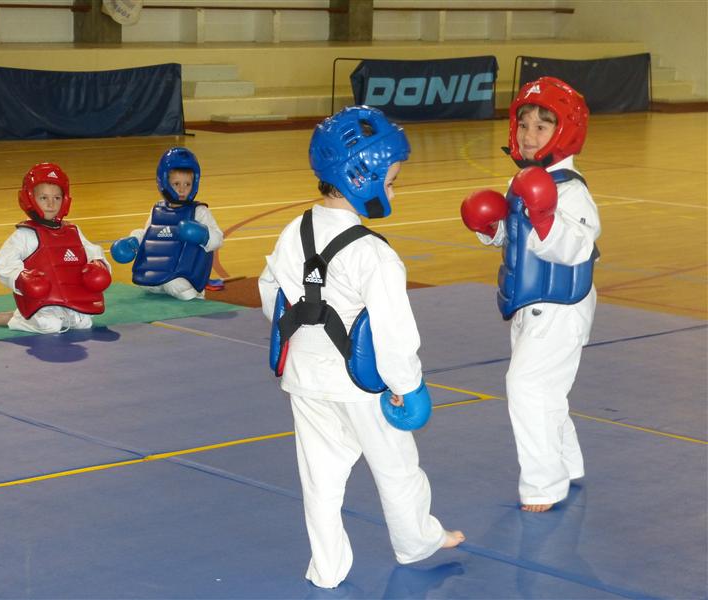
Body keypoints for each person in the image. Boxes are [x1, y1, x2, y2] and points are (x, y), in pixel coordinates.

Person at [259, 106, 464, 589]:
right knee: (397, 468)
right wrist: (408, 387)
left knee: (320, 480)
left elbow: (272, 295)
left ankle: (327, 568)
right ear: (361, 177)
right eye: (391, 182)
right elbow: (393, 333)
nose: (394, 191)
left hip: (305, 380)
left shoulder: (294, 231)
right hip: (361, 386)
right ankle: (416, 541)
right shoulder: (374, 254)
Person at [460, 77, 600, 512]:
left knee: (525, 386)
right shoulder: (524, 179)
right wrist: (490, 227)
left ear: (565, 132)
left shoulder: (571, 190)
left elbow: (577, 247)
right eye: (523, 124)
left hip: (561, 307)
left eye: (542, 126)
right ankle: (568, 463)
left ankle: (544, 485)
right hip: (528, 304)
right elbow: (516, 237)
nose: (528, 134)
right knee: (545, 391)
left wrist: (545, 217)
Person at [0, 162, 112, 334]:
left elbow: (92, 251)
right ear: (30, 199)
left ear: (65, 200)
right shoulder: (25, 234)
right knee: (51, 326)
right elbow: (4, 263)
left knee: (84, 323)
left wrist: (99, 264)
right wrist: (21, 278)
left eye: (57, 198)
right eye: (43, 198)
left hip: (71, 297)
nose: (51, 204)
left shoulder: (73, 230)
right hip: (41, 301)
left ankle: (54, 315)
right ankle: (16, 318)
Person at [110, 147, 223, 300]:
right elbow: (150, 234)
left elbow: (218, 238)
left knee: (178, 287)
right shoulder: (157, 210)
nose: (182, 190)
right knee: (144, 281)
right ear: (164, 182)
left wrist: (203, 235)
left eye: (187, 184)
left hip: (184, 276)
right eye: (176, 184)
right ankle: (159, 283)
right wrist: (134, 241)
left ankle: (192, 296)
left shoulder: (199, 211)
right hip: (157, 272)